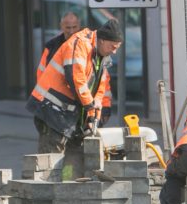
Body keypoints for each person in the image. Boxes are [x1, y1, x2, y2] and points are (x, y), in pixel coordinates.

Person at [27, 19, 123, 177]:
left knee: (71, 162)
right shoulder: (80, 44)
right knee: (50, 163)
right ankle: (48, 196)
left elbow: (100, 88)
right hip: (52, 111)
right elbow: (76, 78)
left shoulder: (101, 56)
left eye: (117, 48)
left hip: (70, 115)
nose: (114, 52)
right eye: (113, 47)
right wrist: (90, 106)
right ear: (102, 40)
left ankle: (67, 192)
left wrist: (94, 116)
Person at [36, 12, 81, 83]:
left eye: (74, 27)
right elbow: (42, 72)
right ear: (61, 26)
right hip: (57, 90)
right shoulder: (51, 46)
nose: (71, 31)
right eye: (68, 27)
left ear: (79, 26)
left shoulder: (87, 44)